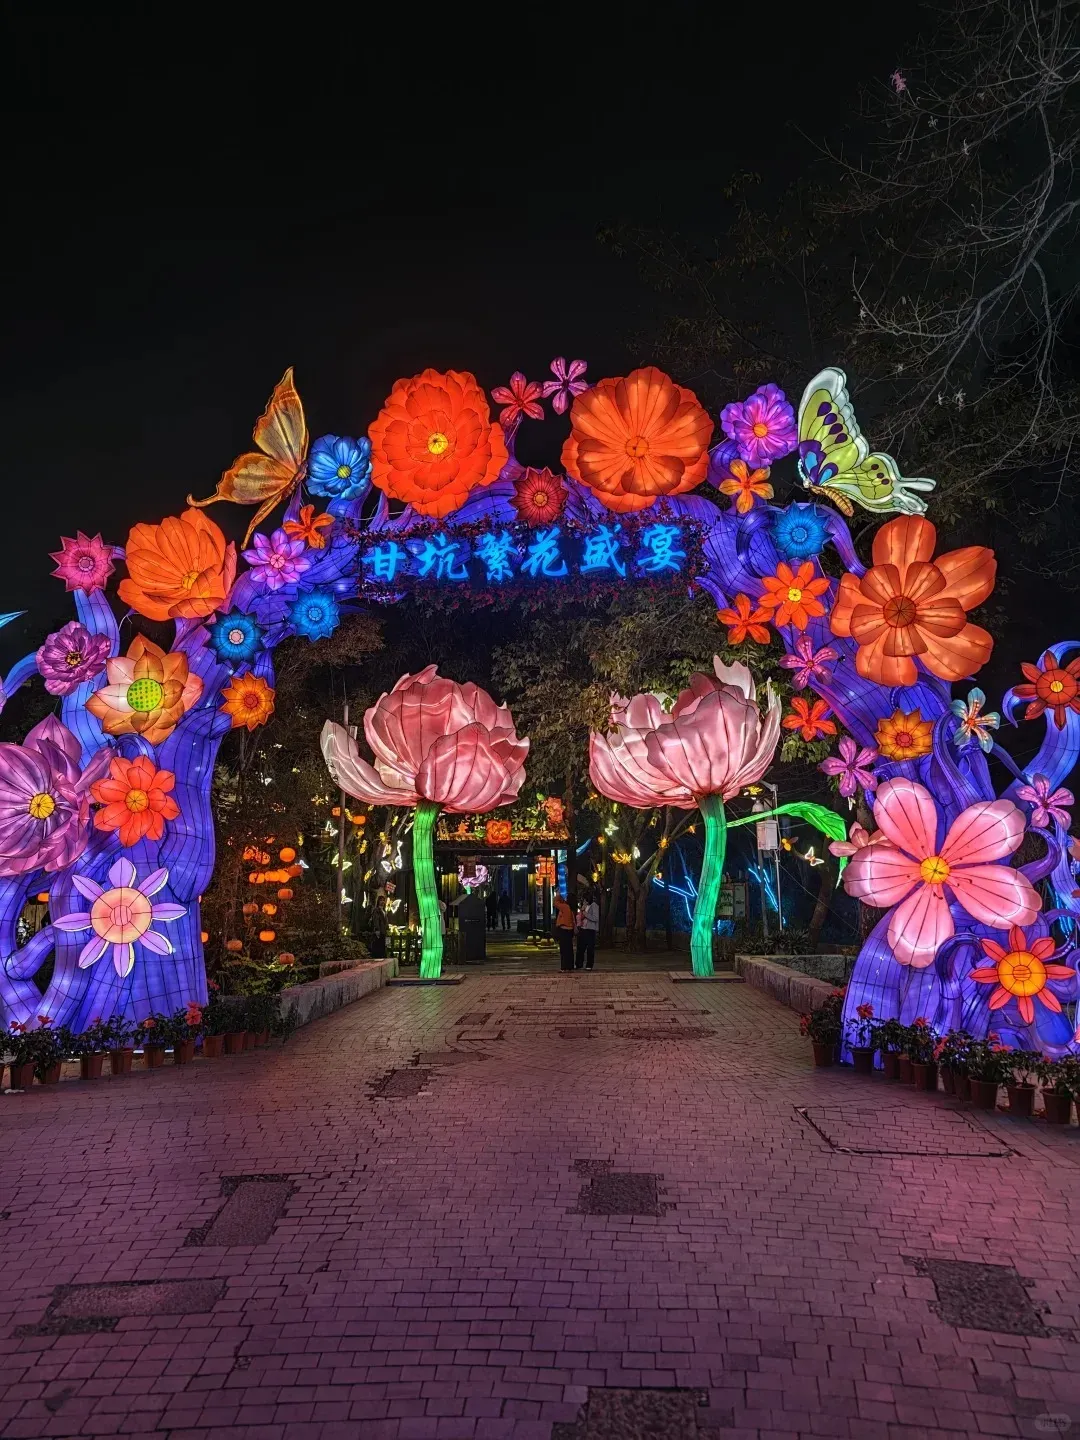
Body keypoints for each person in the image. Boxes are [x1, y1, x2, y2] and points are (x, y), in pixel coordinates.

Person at [575, 888, 599, 970]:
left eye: (585, 899)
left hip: (590, 929)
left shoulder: (594, 906)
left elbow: (595, 918)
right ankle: (578, 964)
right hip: (582, 928)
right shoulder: (583, 906)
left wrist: (586, 914)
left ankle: (589, 965)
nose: (584, 901)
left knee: (590, 948)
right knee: (580, 947)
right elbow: (579, 916)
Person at [553, 892, 576, 971]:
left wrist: (558, 895)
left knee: (563, 950)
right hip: (570, 930)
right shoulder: (570, 908)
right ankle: (570, 966)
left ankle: (564, 967)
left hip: (564, 930)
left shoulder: (565, 907)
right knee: (569, 949)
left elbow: (555, 903)